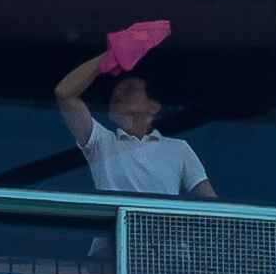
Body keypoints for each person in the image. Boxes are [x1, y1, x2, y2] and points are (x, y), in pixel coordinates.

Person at [54, 24, 214, 199]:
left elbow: (210, 202)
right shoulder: (102, 143)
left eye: (130, 89)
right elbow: (65, 93)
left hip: (160, 227)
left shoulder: (178, 148)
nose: (118, 94)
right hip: (116, 225)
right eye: (115, 92)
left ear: (153, 106)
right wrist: (108, 57)